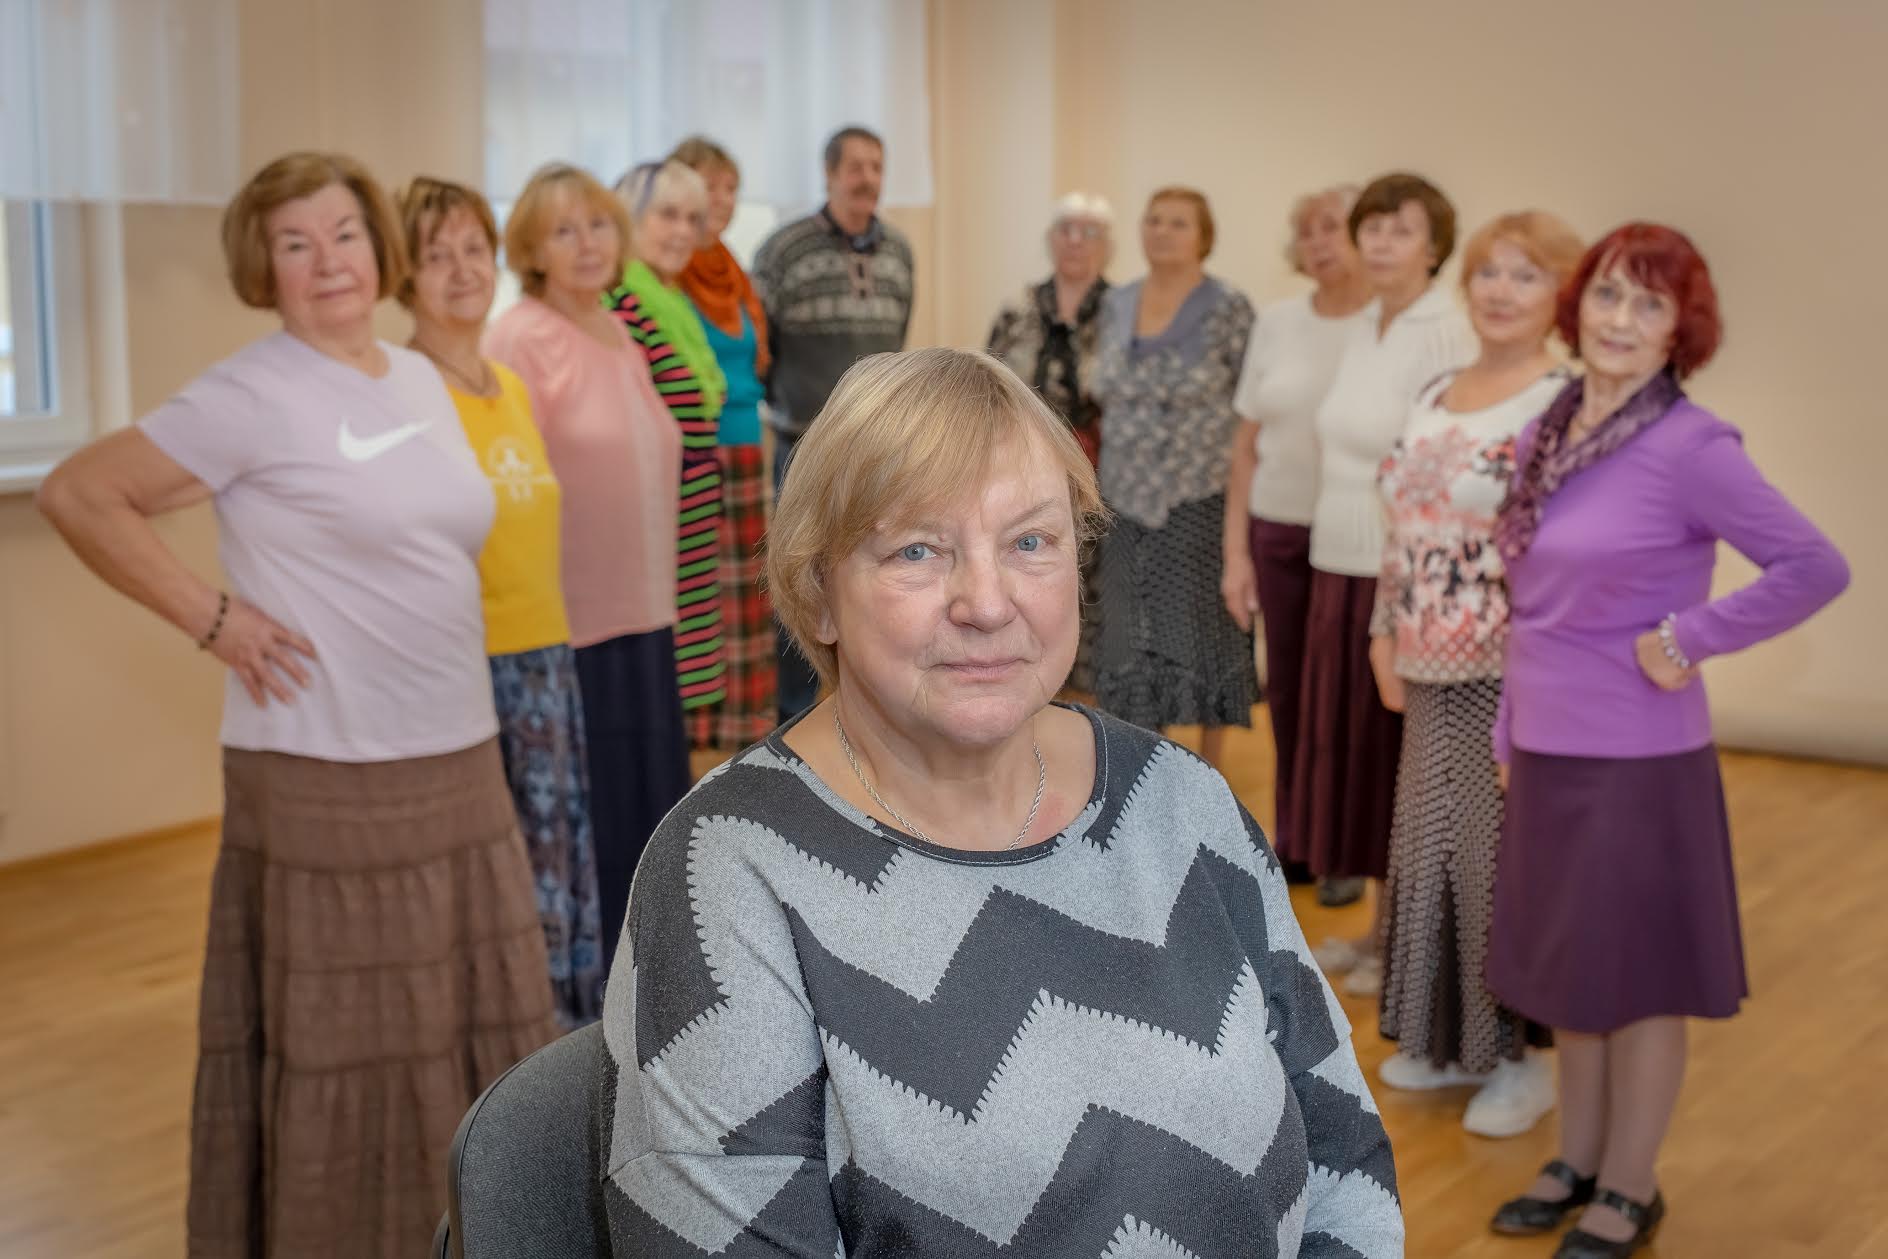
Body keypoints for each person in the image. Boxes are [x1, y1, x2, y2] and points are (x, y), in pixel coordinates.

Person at [596, 347, 1403, 1258]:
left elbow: (1346, 1155)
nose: (986, 602)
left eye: (1030, 541)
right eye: (917, 550)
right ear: (818, 592)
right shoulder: (730, 866)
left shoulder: (1179, 798)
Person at [35, 152, 556, 1256]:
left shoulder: (413, 378)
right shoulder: (247, 393)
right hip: (325, 769)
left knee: (471, 1027)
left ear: (380, 248)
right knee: (353, 1048)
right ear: (262, 270)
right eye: (296, 243)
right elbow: (81, 492)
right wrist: (210, 616)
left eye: (345, 234)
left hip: (456, 757)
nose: (329, 262)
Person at [1485, 224, 1848, 1256]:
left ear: (1680, 331)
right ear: (1578, 304)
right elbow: (1532, 605)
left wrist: (1689, 636)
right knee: (1571, 971)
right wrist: (1513, 722)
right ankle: (1577, 1156)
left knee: (1635, 980)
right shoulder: (1546, 431)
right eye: (1607, 294)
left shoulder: (1692, 447)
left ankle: (1629, 1186)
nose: (1619, 320)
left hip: (1639, 759)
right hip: (1549, 744)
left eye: (1649, 305)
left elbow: (1813, 565)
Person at [1368, 210, 1584, 1135]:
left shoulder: (1563, 404)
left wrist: (1542, 679)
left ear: (1559, 297)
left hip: (1507, 664)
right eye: (1490, 272)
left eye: (1525, 276)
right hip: (1423, 654)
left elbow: (1568, 554)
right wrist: (1384, 629)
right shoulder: (1436, 387)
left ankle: (1523, 1059)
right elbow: (1401, 522)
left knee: (1498, 860)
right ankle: (1450, 1041)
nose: (1500, 290)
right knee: (1429, 847)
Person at [398, 175, 605, 1029]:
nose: (460, 271)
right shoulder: (403, 390)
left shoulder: (506, 386)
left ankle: (550, 1046)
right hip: (465, 672)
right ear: (402, 276)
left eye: (473, 250)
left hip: (544, 656)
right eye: (434, 255)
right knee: (490, 880)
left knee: (552, 868)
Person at [484, 163, 688, 976]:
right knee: (598, 831)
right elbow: (511, 485)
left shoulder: (618, 326)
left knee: (650, 814)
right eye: (563, 230)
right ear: (531, 248)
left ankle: (652, 970)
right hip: (575, 623)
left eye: (598, 225)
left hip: (645, 612)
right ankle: (601, 989)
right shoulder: (520, 335)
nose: (586, 244)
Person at [1294, 172, 1477, 991]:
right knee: (1352, 751)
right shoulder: (1371, 320)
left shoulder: (1445, 331)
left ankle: (1406, 937)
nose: (1379, 242)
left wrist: (1403, 597)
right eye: (1372, 227)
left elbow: (1433, 467)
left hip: (1392, 569)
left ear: (1435, 246)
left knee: (1388, 752)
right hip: (1337, 552)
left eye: (1401, 230)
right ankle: (1376, 931)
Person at [1221, 184, 1372, 870]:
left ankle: (1342, 849)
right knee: (1286, 693)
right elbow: (1245, 444)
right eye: (1306, 231)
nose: (1317, 242)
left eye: (1331, 228)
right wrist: (1236, 554)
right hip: (1277, 530)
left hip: (1357, 540)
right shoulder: (1277, 321)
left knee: (1343, 698)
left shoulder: (1385, 324)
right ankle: (1297, 841)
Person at [752, 125, 915, 721]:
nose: (867, 178)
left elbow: (896, 348)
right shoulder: (783, 250)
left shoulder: (899, 253)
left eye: (876, 166)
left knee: (881, 575)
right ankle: (796, 721)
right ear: (829, 175)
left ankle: (869, 709)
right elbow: (758, 350)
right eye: (855, 167)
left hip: (876, 450)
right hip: (801, 448)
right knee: (802, 581)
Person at [1091, 187, 1258, 764]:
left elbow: (1250, 409)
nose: (1162, 231)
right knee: (1127, 643)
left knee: (1201, 638)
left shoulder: (1230, 308)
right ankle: (1137, 767)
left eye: (1178, 223)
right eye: (1154, 220)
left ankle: (1208, 773)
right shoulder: (1116, 302)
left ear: (1203, 236)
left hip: (1198, 498)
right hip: (1122, 497)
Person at [609, 159, 730, 740]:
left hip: (686, 526)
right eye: (666, 216)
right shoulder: (620, 305)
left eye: (692, 218)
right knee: (651, 696)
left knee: (678, 700)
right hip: (646, 531)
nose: (682, 231)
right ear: (629, 219)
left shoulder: (672, 302)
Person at [670, 134, 778, 748]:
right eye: (709, 185)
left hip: (744, 449)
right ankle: (703, 729)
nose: (722, 199)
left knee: (747, 593)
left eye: (731, 187)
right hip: (698, 455)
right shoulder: (670, 278)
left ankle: (746, 724)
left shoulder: (735, 273)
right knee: (706, 597)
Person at [986, 191, 1113, 693]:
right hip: (1022, 469)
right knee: (1029, 570)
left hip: (1104, 474)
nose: (1075, 242)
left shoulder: (1124, 312)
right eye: (1066, 230)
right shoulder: (1019, 307)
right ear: (1050, 240)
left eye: (1089, 232)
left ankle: (1086, 712)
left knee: (1093, 589)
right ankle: (1031, 683)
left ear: (1106, 247)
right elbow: (989, 383)